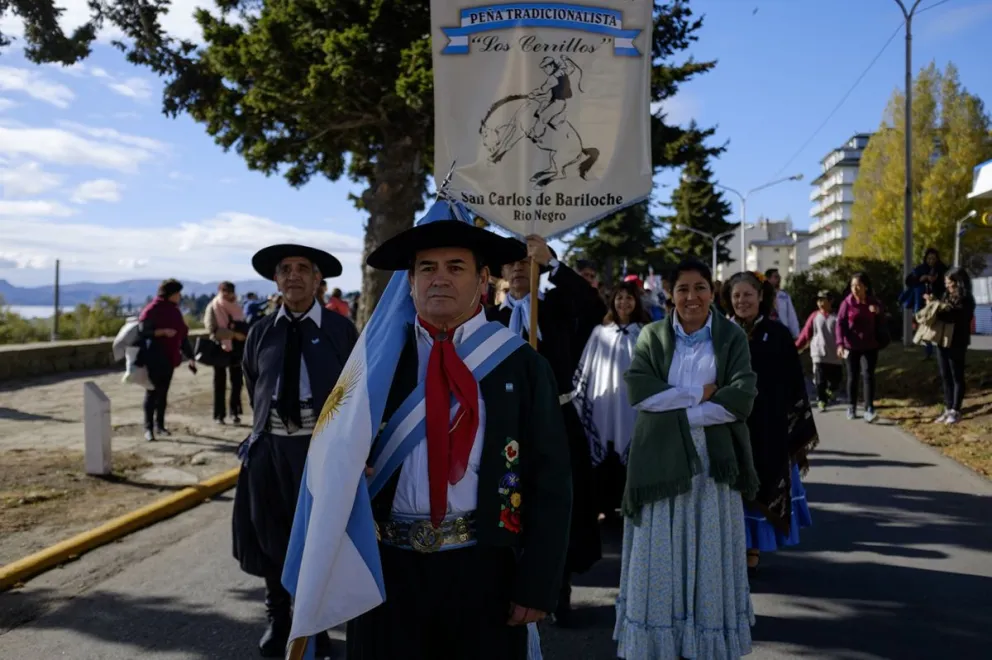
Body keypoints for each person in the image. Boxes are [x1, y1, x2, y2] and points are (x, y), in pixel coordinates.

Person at [347, 212, 573, 660]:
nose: (439, 279)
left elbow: (552, 480)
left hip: (483, 569)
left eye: (456, 266)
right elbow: (334, 451)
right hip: (387, 571)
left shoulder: (521, 365)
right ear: (410, 283)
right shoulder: (374, 364)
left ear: (483, 280)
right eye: (427, 268)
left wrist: (537, 583)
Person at [616, 259, 758, 660]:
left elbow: (738, 402)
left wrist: (675, 412)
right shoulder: (652, 336)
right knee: (661, 553)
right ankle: (660, 643)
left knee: (707, 553)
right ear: (669, 294)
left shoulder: (731, 338)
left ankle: (705, 641)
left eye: (699, 288)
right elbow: (641, 394)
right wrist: (701, 394)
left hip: (712, 467)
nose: (691, 297)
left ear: (712, 292)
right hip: (659, 462)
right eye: (682, 289)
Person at [232, 244, 359, 658]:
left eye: (303, 268)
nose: (293, 276)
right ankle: (279, 617)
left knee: (317, 540)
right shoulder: (261, 332)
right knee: (272, 537)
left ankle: (315, 624)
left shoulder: (341, 332)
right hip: (270, 449)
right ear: (275, 280)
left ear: (319, 278)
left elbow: (357, 394)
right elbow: (254, 385)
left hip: (318, 451)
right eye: (285, 269)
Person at [490, 235, 603, 626]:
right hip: (505, 429)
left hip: (557, 419)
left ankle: (561, 587)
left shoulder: (558, 309)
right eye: (513, 263)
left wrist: (554, 262)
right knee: (508, 503)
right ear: (501, 273)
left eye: (528, 261)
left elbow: (594, 306)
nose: (520, 267)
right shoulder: (491, 321)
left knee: (558, 504)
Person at [725, 272, 816, 573]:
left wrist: (791, 425)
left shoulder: (777, 334)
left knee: (761, 482)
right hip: (728, 424)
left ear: (760, 296)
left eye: (748, 294)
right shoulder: (721, 332)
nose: (742, 301)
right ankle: (729, 545)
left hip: (769, 425)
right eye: (736, 295)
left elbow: (793, 383)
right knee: (729, 485)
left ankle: (752, 547)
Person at [572, 280, 650, 520]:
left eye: (628, 298)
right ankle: (604, 505)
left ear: (636, 302)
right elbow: (588, 367)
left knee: (633, 450)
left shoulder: (645, 332)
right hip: (603, 402)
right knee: (604, 451)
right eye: (619, 298)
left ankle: (630, 503)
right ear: (612, 301)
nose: (623, 303)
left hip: (632, 403)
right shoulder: (600, 332)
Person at [137, 279, 195, 442]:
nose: (179, 296)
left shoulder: (174, 311)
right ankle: (148, 427)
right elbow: (143, 330)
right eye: (177, 293)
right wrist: (161, 332)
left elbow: (182, 336)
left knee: (163, 393)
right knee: (152, 392)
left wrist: (190, 356)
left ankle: (160, 425)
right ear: (170, 294)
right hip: (154, 356)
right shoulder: (153, 309)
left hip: (170, 357)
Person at [928, 267, 976, 425]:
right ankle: (948, 408)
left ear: (959, 283)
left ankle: (956, 409)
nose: (948, 286)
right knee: (945, 375)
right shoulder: (945, 295)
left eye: (951, 283)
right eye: (946, 283)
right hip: (943, 340)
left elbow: (960, 317)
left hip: (957, 341)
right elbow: (942, 314)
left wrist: (943, 309)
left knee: (956, 375)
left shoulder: (967, 299)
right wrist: (933, 304)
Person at [836, 272, 885, 423]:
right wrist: (840, 344)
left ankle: (869, 409)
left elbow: (883, 316)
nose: (855, 289)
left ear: (865, 286)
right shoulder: (847, 303)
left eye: (858, 285)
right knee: (853, 377)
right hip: (851, 346)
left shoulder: (873, 302)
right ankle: (852, 406)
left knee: (868, 375)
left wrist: (877, 311)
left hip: (870, 345)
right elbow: (840, 324)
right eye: (852, 286)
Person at [204, 281, 248, 424]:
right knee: (219, 384)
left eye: (230, 291)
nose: (228, 294)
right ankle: (219, 415)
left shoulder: (237, 306)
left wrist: (241, 334)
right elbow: (212, 330)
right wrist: (234, 334)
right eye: (225, 291)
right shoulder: (214, 306)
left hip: (237, 349)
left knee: (237, 383)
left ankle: (234, 412)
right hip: (220, 349)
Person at [796, 290, 843, 410]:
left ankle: (829, 392)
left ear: (831, 301)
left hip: (835, 355)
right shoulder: (814, 316)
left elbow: (842, 335)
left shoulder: (837, 317)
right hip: (818, 353)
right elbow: (806, 334)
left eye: (823, 300)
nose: (820, 303)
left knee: (836, 381)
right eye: (818, 300)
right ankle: (821, 400)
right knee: (820, 379)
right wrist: (796, 347)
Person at [904, 248, 948, 359]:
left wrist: (936, 286)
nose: (931, 261)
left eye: (933, 258)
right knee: (923, 325)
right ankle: (928, 350)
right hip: (922, 302)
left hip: (937, 302)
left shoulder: (942, 269)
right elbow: (909, 281)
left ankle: (941, 351)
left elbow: (945, 286)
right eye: (929, 258)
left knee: (938, 326)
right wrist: (921, 278)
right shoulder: (920, 269)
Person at [765, 268, 800, 338]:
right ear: (768, 279)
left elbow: (791, 315)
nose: (779, 279)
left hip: (782, 331)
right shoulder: (762, 296)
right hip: (767, 331)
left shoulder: (784, 296)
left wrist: (796, 334)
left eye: (779, 277)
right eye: (776, 277)